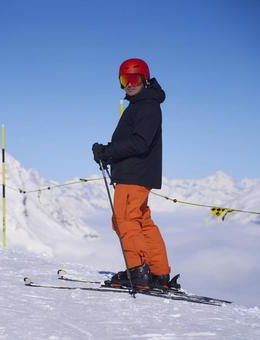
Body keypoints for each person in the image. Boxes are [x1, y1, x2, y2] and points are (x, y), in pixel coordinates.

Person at [92, 58, 178, 289]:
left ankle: (138, 271)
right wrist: (108, 153)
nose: (129, 84)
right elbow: (135, 142)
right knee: (141, 221)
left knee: (125, 220)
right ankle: (158, 272)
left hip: (134, 175)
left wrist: (108, 151)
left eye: (134, 78)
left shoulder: (146, 106)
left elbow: (139, 143)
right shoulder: (143, 105)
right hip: (138, 174)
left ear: (144, 79)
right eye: (124, 79)